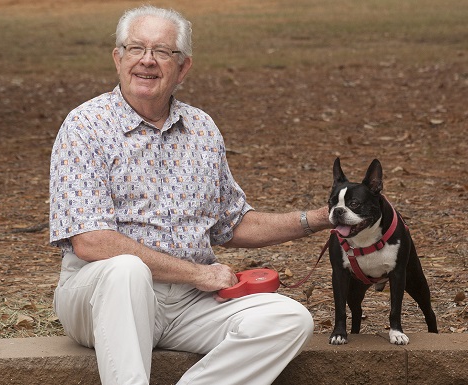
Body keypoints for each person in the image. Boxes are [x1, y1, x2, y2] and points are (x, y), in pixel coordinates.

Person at [49, 5, 330, 385]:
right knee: (127, 270)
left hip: (189, 304)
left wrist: (319, 218)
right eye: (136, 49)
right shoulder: (86, 125)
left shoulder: (201, 128)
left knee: (289, 319)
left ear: (183, 68)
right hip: (101, 298)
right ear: (118, 59)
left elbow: (232, 223)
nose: (147, 61)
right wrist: (197, 273)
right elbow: (92, 242)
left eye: (162, 52)